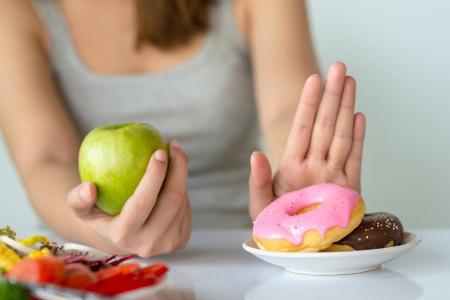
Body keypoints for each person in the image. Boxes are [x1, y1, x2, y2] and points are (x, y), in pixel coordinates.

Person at [0, 0, 365, 257]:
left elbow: (286, 110)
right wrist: (103, 234)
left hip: (236, 260)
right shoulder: (16, 10)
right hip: (88, 265)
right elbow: (45, 158)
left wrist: (299, 191)